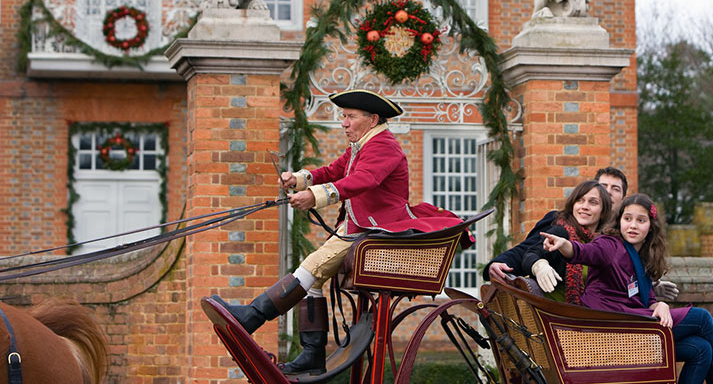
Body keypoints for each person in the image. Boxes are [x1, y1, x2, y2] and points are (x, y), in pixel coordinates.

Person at [209, 89, 466, 375]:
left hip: (378, 230)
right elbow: (335, 170)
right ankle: (311, 354)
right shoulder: (362, 145)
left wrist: (315, 196)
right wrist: (298, 179)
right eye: (343, 116)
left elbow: (363, 180)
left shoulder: (384, 146)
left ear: (372, 119)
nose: (343, 122)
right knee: (313, 279)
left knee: (311, 267)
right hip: (359, 227)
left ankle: (252, 317)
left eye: (350, 116)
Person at [541, 194, 713, 384]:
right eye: (627, 219)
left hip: (632, 324)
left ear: (651, 227)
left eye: (640, 220)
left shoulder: (641, 256)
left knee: (701, 349)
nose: (633, 225)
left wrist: (659, 305)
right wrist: (564, 245)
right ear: (619, 221)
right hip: (608, 326)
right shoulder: (610, 245)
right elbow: (584, 252)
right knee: (701, 318)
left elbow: (646, 299)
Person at [483, 167, 627, 283]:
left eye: (615, 188)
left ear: (623, 197)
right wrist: (500, 263)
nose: (608, 191)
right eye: (604, 186)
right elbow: (529, 250)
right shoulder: (559, 224)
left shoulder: (621, 234)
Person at [520, 180, 612, 303]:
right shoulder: (561, 232)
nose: (584, 206)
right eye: (579, 200)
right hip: (552, 314)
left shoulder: (604, 243)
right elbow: (530, 254)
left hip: (590, 314)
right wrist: (540, 266)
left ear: (603, 211)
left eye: (593, 202)